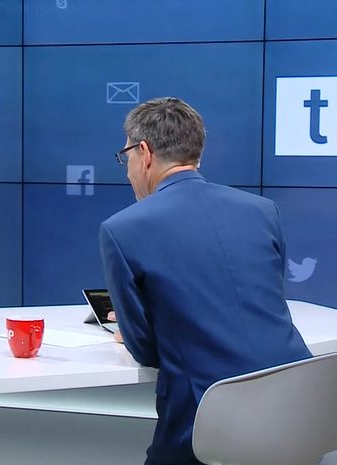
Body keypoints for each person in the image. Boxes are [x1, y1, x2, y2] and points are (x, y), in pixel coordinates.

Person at [98, 97, 312, 465]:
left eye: (126, 156)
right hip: (300, 414)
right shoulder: (262, 210)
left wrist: (136, 329)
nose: (128, 169)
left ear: (144, 153)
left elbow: (146, 351)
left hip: (206, 425)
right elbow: (264, 300)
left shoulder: (122, 228)